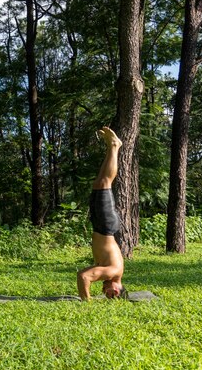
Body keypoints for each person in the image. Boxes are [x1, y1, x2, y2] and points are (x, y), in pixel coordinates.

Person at [77, 127, 127, 301]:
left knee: (99, 183)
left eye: (106, 294)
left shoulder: (112, 272)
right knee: (105, 182)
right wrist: (87, 302)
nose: (105, 290)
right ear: (118, 289)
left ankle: (111, 147)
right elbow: (83, 276)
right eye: (110, 293)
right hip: (106, 226)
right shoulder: (113, 272)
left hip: (102, 226)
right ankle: (115, 146)